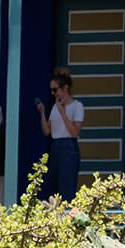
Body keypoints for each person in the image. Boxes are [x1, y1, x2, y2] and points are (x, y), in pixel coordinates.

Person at [35, 68, 83, 200]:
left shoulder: (77, 106)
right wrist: (42, 112)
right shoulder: (55, 107)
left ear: (65, 88)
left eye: (55, 90)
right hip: (55, 146)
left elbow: (74, 132)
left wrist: (63, 112)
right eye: (51, 90)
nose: (53, 93)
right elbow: (47, 131)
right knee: (54, 187)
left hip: (69, 147)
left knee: (66, 188)